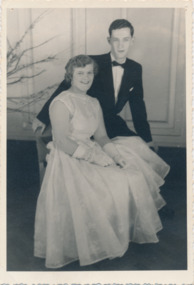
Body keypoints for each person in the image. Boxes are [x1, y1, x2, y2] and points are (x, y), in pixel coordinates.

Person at [34, 54, 170, 268]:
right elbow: (61, 141)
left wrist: (115, 157)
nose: (86, 77)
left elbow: (101, 137)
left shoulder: (93, 102)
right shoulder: (61, 102)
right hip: (70, 156)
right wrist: (93, 157)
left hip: (92, 149)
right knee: (112, 184)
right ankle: (96, 240)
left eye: (89, 73)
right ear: (70, 76)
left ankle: (116, 234)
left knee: (132, 176)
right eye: (80, 73)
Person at [32, 18, 157, 150]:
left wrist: (147, 138)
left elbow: (138, 106)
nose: (121, 46)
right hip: (87, 124)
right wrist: (43, 117)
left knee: (140, 154)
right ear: (109, 40)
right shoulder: (93, 62)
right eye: (116, 40)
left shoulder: (135, 68)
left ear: (132, 41)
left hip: (113, 124)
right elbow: (64, 87)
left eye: (125, 39)